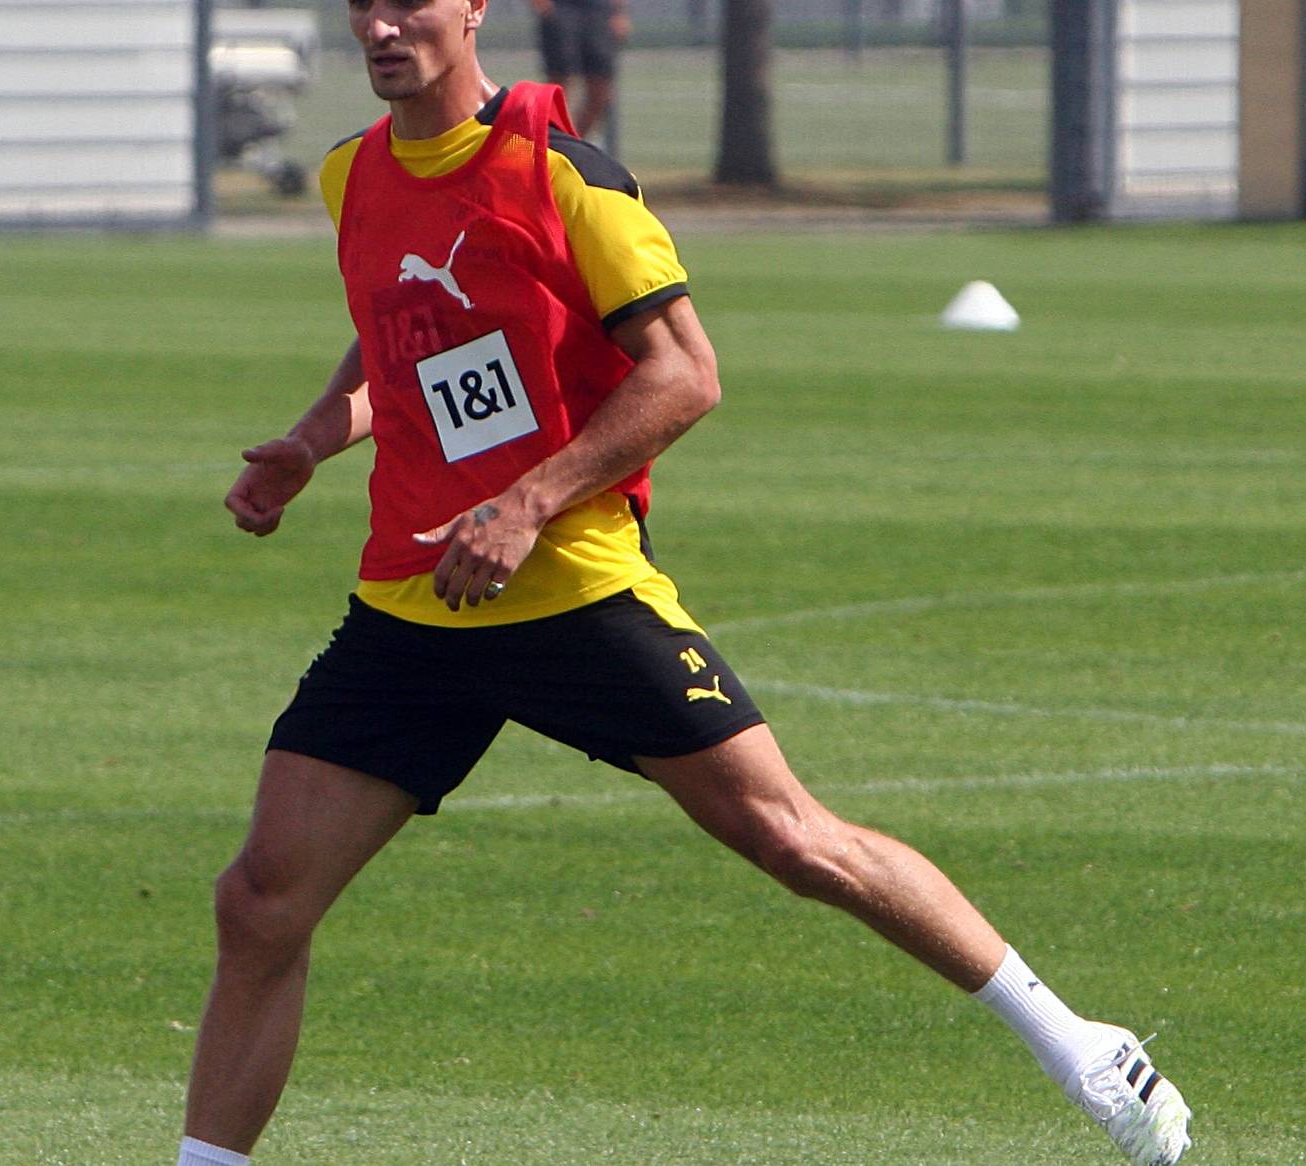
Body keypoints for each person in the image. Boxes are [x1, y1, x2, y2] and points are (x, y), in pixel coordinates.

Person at [174, 3, 1192, 1166]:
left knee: (795, 839)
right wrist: (311, 442)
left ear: (474, 10)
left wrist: (526, 503)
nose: (383, 22)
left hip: (573, 590)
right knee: (260, 901)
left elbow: (686, 374)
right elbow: (400, 336)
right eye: (364, 1)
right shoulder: (353, 175)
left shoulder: (565, 171)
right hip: (417, 606)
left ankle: (1085, 1048)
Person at [530, 0, 627, 137]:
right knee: (560, 79)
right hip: (560, 6)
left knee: (601, 86)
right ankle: (553, 140)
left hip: (599, 8)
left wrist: (619, 11)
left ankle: (574, 143)